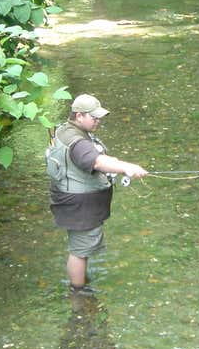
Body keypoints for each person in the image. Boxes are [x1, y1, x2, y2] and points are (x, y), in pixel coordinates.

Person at [46, 94, 148, 294]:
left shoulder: (65, 129)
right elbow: (96, 162)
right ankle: (78, 293)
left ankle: (80, 284)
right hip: (79, 207)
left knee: (80, 248)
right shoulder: (77, 142)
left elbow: (94, 158)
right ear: (79, 115)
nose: (98, 121)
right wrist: (127, 167)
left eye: (99, 117)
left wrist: (116, 164)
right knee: (80, 251)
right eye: (94, 117)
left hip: (70, 200)